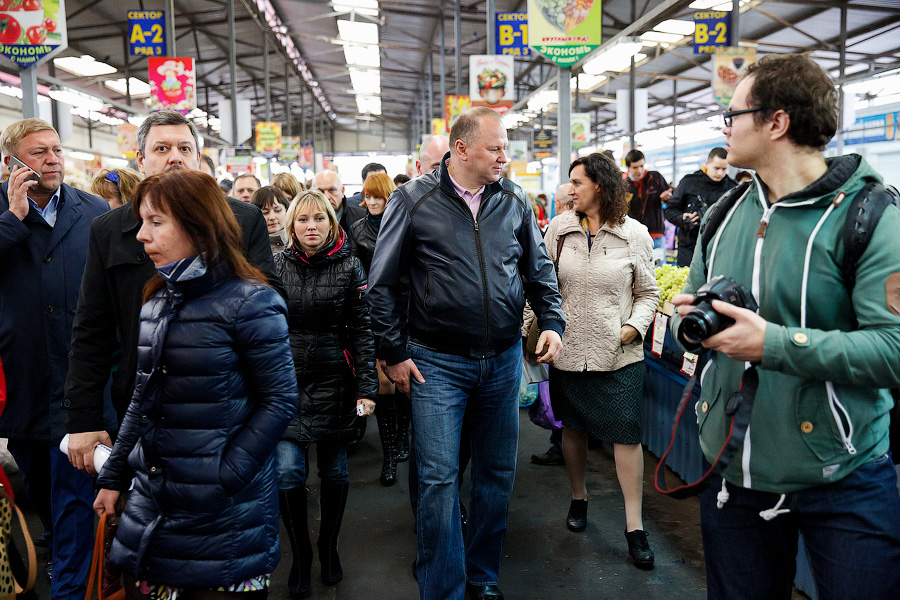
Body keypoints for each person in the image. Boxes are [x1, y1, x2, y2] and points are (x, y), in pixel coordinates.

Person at [671, 53, 900, 600]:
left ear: (776, 123)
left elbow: (893, 349)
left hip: (843, 476)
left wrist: (774, 344)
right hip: (735, 469)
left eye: (733, 115)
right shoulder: (724, 214)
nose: (725, 127)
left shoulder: (869, 215)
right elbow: (702, 301)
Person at [368, 107, 565, 600]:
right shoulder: (413, 201)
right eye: (495, 147)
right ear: (461, 149)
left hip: (500, 361)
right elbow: (381, 284)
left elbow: (539, 271)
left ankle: (483, 577)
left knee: (497, 475)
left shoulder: (515, 200)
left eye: (506, 148)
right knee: (437, 481)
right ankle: (444, 588)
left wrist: (554, 322)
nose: (504, 156)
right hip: (435, 361)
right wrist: (392, 350)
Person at [93, 169, 297, 598]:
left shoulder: (252, 301)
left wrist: (225, 474)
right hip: (155, 502)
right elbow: (141, 399)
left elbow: (279, 400)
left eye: (156, 222)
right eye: (142, 222)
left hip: (224, 515)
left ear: (196, 224)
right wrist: (113, 477)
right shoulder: (156, 300)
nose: (141, 236)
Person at [64, 110, 283, 477]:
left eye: (184, 147)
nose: (174, 157)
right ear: (142, 160)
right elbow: (91, 330)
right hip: (141, 407)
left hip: (227, 405)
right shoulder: (109, 230)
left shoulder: (242, 220)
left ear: (198, 157)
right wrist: (83, 418)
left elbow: (272, 312)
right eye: (162, 148)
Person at [531, 153, 660, 567]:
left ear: (600, 186)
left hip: (620, 354)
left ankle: (634, 526)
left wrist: (633, 328)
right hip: (568, 351)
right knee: (573, 428)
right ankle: (578, 496)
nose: (570, 190)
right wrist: (530, 330)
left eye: (577, 182)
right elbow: (542, 285)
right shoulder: (558, 230)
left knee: (625, 433)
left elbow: (649, 294)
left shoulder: (634, 234)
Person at [0, 118, 110, 599]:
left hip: (78, 390)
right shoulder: (2, 215)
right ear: (11, 164)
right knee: (44, 500)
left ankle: (70, 587)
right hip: (23, 386)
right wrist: (13, 219)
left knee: (74, 507)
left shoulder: (95, 211)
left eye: (56, 150)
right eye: (39, 152)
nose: (52, 159)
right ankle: (64, 565)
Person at [272, 189, 377, 598]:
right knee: (287, 473)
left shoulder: (351, 267)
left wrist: (368, 387)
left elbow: (363, 331)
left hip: (337, 381)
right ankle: (300, 555)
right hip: (286, 383)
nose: (311, 226)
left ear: (331, 224)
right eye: (303, 220)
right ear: (291, 226)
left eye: (319, 219)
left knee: (335, 471)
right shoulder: (275, 266)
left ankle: (328, 548)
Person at [349, 172, 409, 486]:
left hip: (405, 313)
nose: (372, 202)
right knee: (384, 384)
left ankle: (401, 438)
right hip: (372, 314)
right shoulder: (356, 229)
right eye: (368, 196)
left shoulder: (402, 223)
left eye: (378, 196)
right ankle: (389, 457)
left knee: (406, 385)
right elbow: (355, 274)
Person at [531, 182, 575, 468]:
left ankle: (562, 445)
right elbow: (537, 280)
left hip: (562, 326)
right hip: (556, 326)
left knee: (560, 396)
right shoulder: (554, 232)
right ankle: (561, 445)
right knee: (558, 393)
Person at [665, 148, 737, 267]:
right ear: (707, 164)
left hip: (719, 249)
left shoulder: (732, 188)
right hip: (689, 248)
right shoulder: (689, 182)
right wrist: (682, 218)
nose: (720, 173)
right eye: (716, 168)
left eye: (724, 169)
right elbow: (670, 210)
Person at [624, 149, 671, 264]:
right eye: (635, 167)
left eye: (641, 166)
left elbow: (671, 197)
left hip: (656, 235)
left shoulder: (655, 178)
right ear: (628, 168)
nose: (639, 170)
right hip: (634, 237)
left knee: (660, 269)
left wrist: (667, 197)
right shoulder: (624, 185)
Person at [311, 169, 365, 239]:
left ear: (342, 191)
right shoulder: (304, 221)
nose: (327, 197)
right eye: (320, 191)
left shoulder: (361, 219)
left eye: (332, 190)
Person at [251, 186, 291, 254]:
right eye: (265, 212)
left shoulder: (299, 242)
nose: (272, 217)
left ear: (286, 211)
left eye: (278, 210)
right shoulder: (250, 248)